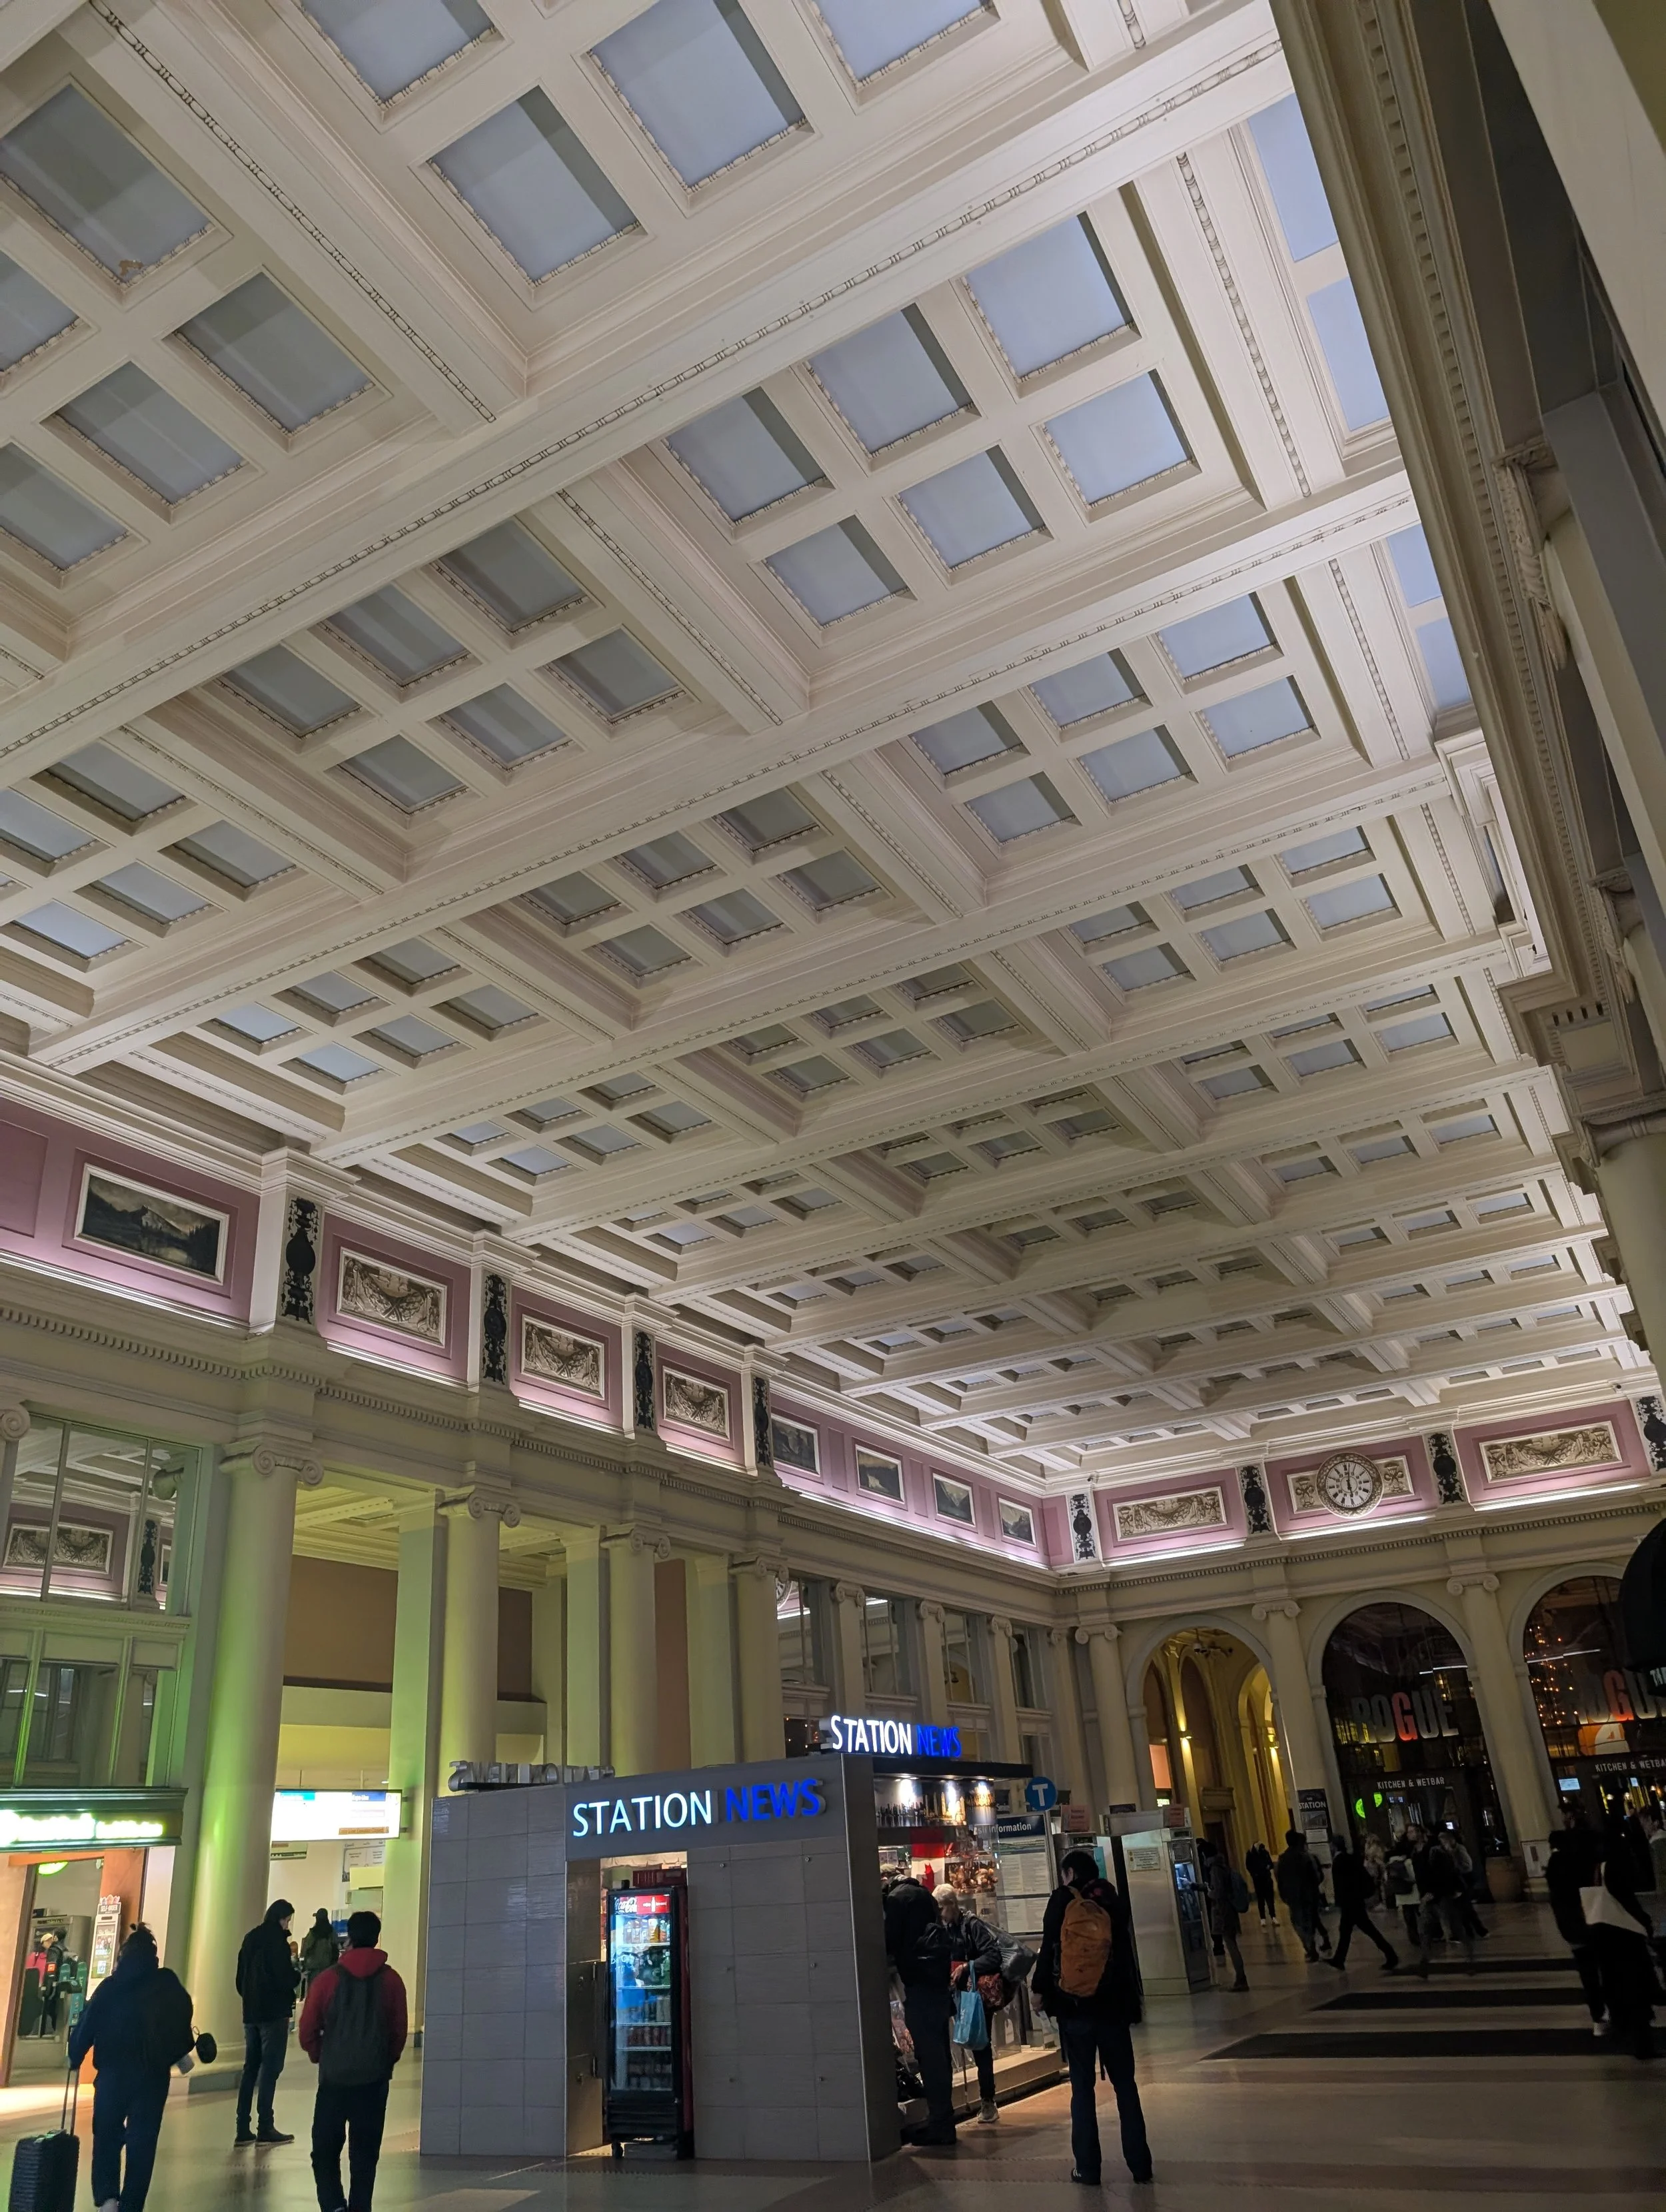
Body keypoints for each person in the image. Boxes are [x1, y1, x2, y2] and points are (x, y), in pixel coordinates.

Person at [1032, 1848, 1152, 2187]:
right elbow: (1125, 1954)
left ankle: (1087, 2168)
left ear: (1069, 1873)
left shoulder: (1062, 1900)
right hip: (1114, 2009)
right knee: (1126, 2087)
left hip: (1076, 2009)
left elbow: (1048, 1948)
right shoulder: (1112, 1900)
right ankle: (1140, 2165)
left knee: (1082, 2089)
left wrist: (1040, 1991)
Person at [69, 1924, 197, 2212]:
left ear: (123, 1956)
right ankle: (133, 2204)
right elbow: (180, 2019)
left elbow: (88, 2023)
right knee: (143, 2141)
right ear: (153, 1956)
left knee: (106, 2136)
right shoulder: (166, 1983)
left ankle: (108, 2199)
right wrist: (180, 2053)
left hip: (113, 2076)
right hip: (151, 2078)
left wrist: (75, 2054)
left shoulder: (110, 1988)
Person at [299, 1908, 409, 2211]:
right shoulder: (392, 1981)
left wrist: (321, 2054)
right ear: (376, 1938)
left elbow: (307, 2029)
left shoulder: (327, 1980)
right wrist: (387, 2061)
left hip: (334, 2080)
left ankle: (334, 2205)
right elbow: (399, 2031)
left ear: (349, 1938)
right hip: (373, 2081)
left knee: (324, 2151)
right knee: (365, 2155)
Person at [884, 1873, 956, 2146]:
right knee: (941, 2055)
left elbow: (888, 1942)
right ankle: (943, 2119)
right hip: (937, 1986)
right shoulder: (926, 1895)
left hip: (919, 1987)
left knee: (930, 2058)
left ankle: (940, 2125)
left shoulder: (896, 1900)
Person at [236, 1897, 301, 2147]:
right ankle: (265, 2125)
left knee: (250, 2068)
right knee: (271, 2069)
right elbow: (284, 1977)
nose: (288, 1925)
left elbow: (239, 1979)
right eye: (288, 1920)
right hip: (274, 2014)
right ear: (282, 1918)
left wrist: (250, 1999)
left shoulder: (250, 1938)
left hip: (250, 2014)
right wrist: (295, 1978)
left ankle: (242, 2127)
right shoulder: (278, 1943)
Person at [935, 1885, 1002, 2123]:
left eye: (942, 1907)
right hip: (959, 1994)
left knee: (980, 2046)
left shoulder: (971, 1925)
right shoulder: (947, 1927)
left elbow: (993, 1955)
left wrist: (968, 1967)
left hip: (977, 1996)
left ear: (952, 1905)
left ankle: (988, 2101)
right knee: (971, 2044)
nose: (940, 1913)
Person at [1545, 1826, 1607, 2035]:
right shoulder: (1585, 1864)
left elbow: (1556, 1899)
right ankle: (1612, 2011)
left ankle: (1598, 2018)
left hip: (1572, 1927)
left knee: (1588, 1974)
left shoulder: (1555, 1865)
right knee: (1605, 1969)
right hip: (1594, 1922)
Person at [1326, 1834, 1399, 1972]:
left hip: (1350, 1903)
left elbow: (1342, 1885)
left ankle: (1390, 1955)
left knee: (1364, 1930)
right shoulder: (1350, 1859)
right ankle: (1339, 1959)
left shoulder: (1340, 1861)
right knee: (1350, 1931)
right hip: (1354, 1901)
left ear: (1334, 1846)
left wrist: (1340, 1901)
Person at [1410, 1831, 1473, 1977]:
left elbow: (1443, 1875)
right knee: (1425, 1930)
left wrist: (1432, 1892)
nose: (1410, 1835)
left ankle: (1469, 1960)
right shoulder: (1416, 1853)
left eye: (1413, 1831)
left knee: (1455, 1927)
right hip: (1429, 1897)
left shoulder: (1433, 1852)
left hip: (1441, 1896)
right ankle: (1424, 1963)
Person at [1197, 1842, 1248, 1988]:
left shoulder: (1215, 1870)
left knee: (1231, 1945)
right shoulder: (1223, 1865)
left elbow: (1218, 1892)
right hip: (1229, 1910)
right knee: (1232, 1943)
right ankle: (1241, 1977)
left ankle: (1241, 1979)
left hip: (1223, 1912)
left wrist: (1209, 1892)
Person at [1275, 1830, 1325, 1961]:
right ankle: (1311, 1946)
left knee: (1298, 1923)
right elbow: (1316, 1876)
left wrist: (1283, 1894)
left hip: (1293, 1896)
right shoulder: (1305, 1857)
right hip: (1308, 1894)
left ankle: (1309, 1947)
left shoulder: (1283, 1859)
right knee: (1309, 1922)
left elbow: (1279, 1878)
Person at [300, 1910, 341, 1993]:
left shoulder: (313, 1933)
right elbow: (336, 1949)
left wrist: (304, 1965)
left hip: (313, 1970)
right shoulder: (332, 1932)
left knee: (314, 1993)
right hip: (329, 1969)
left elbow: (306, 1950)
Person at [1245, 1840, 1276, 1923]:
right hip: (1258, 1880)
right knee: (1261, 1900)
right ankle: (1263, 1918)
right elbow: (1248, 1866)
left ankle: (1273, 1916)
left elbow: (1271, 1863)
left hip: (1266, 1879)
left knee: (1270, 1899)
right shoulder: (1250, 1854)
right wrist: (1254, 1874)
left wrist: (1268, 1867)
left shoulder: (1265, 1852)